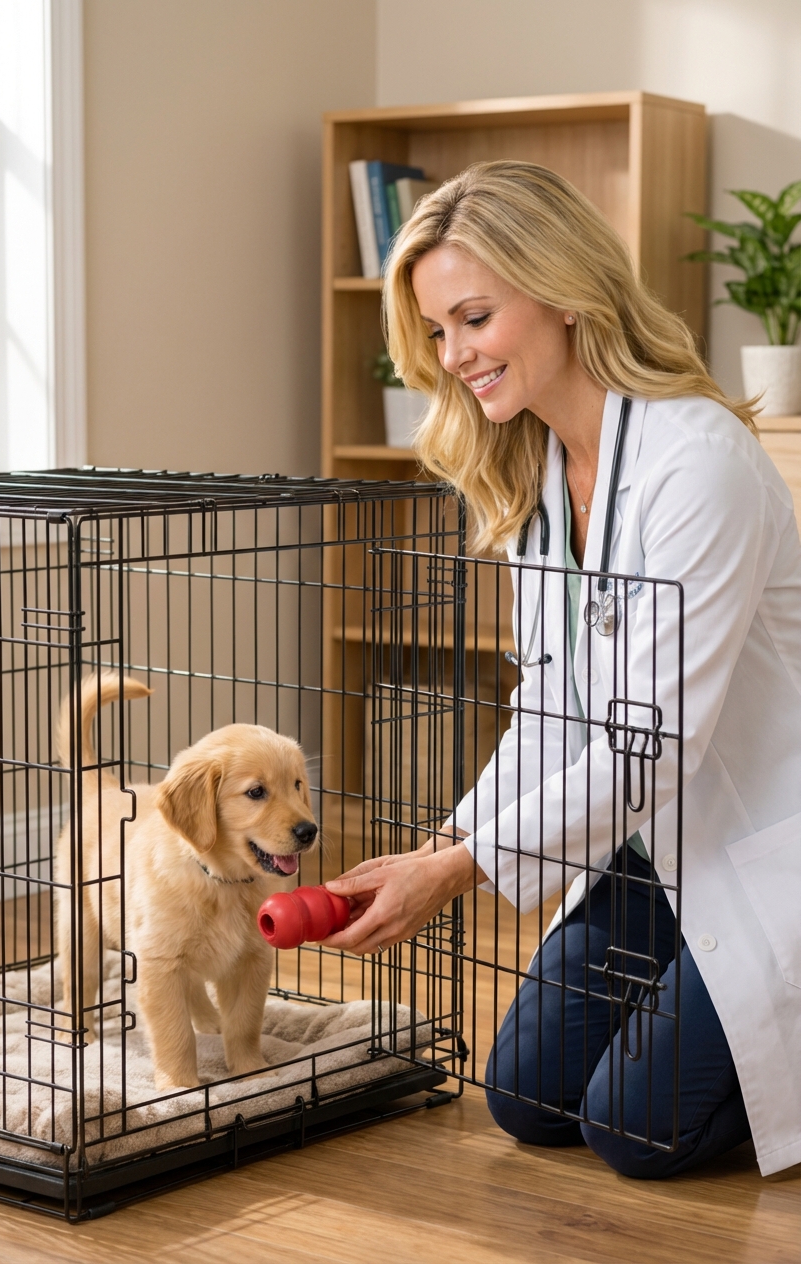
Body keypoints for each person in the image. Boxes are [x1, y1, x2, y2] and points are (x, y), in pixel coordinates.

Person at [323, 161, 801, 1180]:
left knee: (632, 1130)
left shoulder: (694, 461)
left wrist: (452, 872)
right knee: (527, 1097)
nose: (453, 356)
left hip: (765, 841)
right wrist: (448, 837)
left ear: (565, 290)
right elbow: (548, 706)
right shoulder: (537, 475)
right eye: (437, 332)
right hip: (655, 847)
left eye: (473, 317)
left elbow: (647, 745)